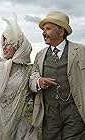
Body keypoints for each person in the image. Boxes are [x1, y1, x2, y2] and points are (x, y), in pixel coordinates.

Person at [29, 11, 85, 140]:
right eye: (43, 29)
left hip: (74, 113)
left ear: (61, 32)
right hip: (49, 115)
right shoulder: (39, 55)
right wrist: (39, 82)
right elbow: (32, 79)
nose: (43, 32)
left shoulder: (81, 51)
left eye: (48, 29)